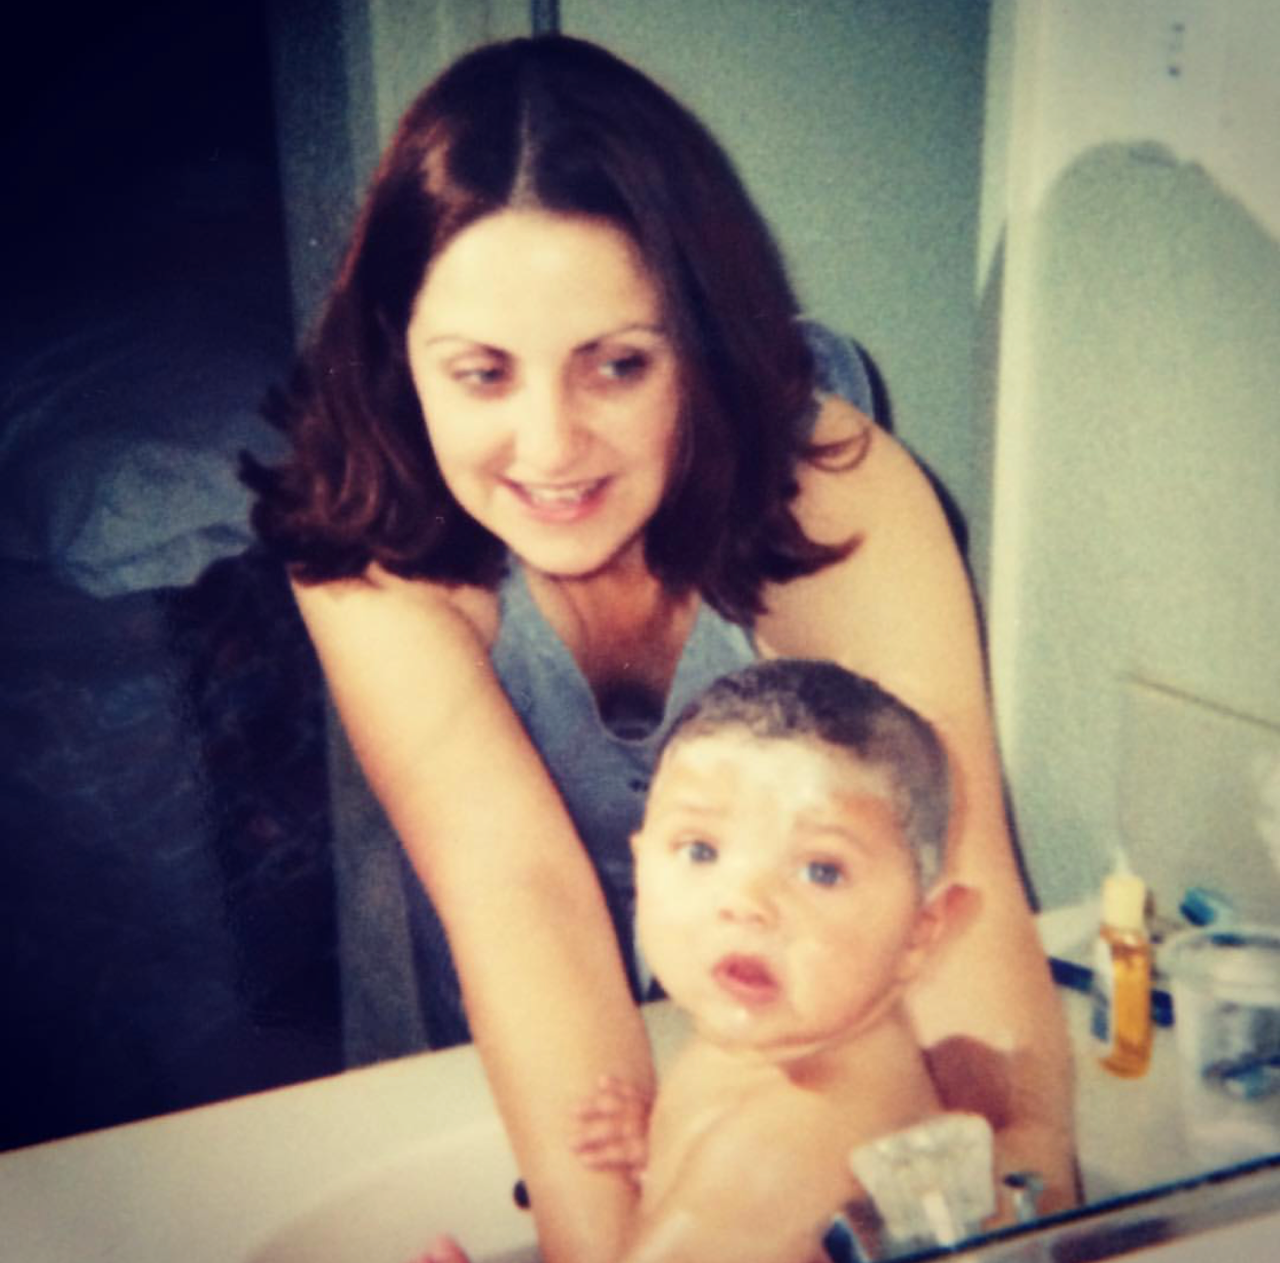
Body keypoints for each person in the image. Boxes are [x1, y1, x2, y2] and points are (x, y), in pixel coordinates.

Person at [244, 34, 1076, 1263]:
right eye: (480, 373)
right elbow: (520, 899)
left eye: (618, 365)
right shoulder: (365, 538)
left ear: (702, 342)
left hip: (823, 1038)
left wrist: (1027, 1197)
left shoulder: (829, 485)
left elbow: (953, 867)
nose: (548, 446)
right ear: (398, 356)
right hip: (537, 1028)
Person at [572, 659, 968, 1263]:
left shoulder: (784, 1149)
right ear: (641, 861)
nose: (745, 904)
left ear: (921, 931)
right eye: (701, 851)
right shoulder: (782, 1048)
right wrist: (662, 1147)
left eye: (820, 871)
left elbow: (756, 1186)